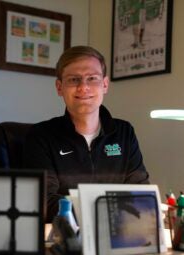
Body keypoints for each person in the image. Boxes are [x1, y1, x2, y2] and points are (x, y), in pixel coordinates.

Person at [24, 45, 149, 222]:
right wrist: (107, 212)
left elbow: (140, 191)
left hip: (117, 237)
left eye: (92, 78)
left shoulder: (124, 133)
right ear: (59, 87)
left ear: (104, 85)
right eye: (74, 79)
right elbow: (44, 201)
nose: (83, 87)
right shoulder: (40, 136)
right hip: (65, 239)